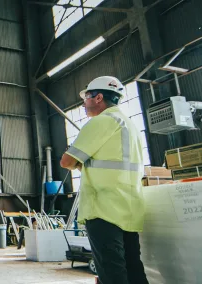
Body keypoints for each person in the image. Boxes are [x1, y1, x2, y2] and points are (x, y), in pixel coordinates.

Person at [59, 76, 147, 284]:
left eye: (87, 97)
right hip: (129, 208)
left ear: (98, 97)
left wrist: (80, 163)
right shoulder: (130, 126)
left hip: (104, 209)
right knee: (134, 268)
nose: (84, 103)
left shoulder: (101, 122)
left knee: (112, 272)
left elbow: (67, 161)